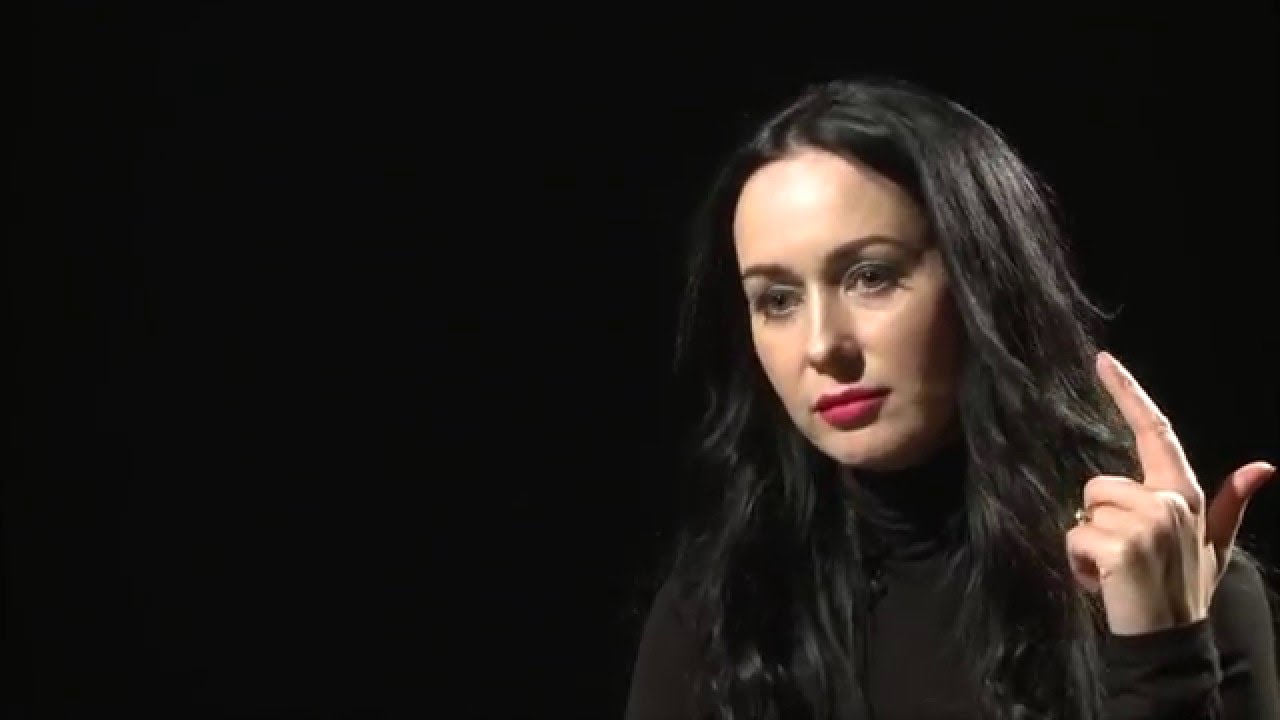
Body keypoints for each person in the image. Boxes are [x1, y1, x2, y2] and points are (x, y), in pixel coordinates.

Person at [623, 77, 1279, 720]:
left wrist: (1160, 658)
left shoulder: (1177, 588)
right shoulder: (719, 614)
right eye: (777, 299)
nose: (822, 346)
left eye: (871, 276)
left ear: (982, 281)